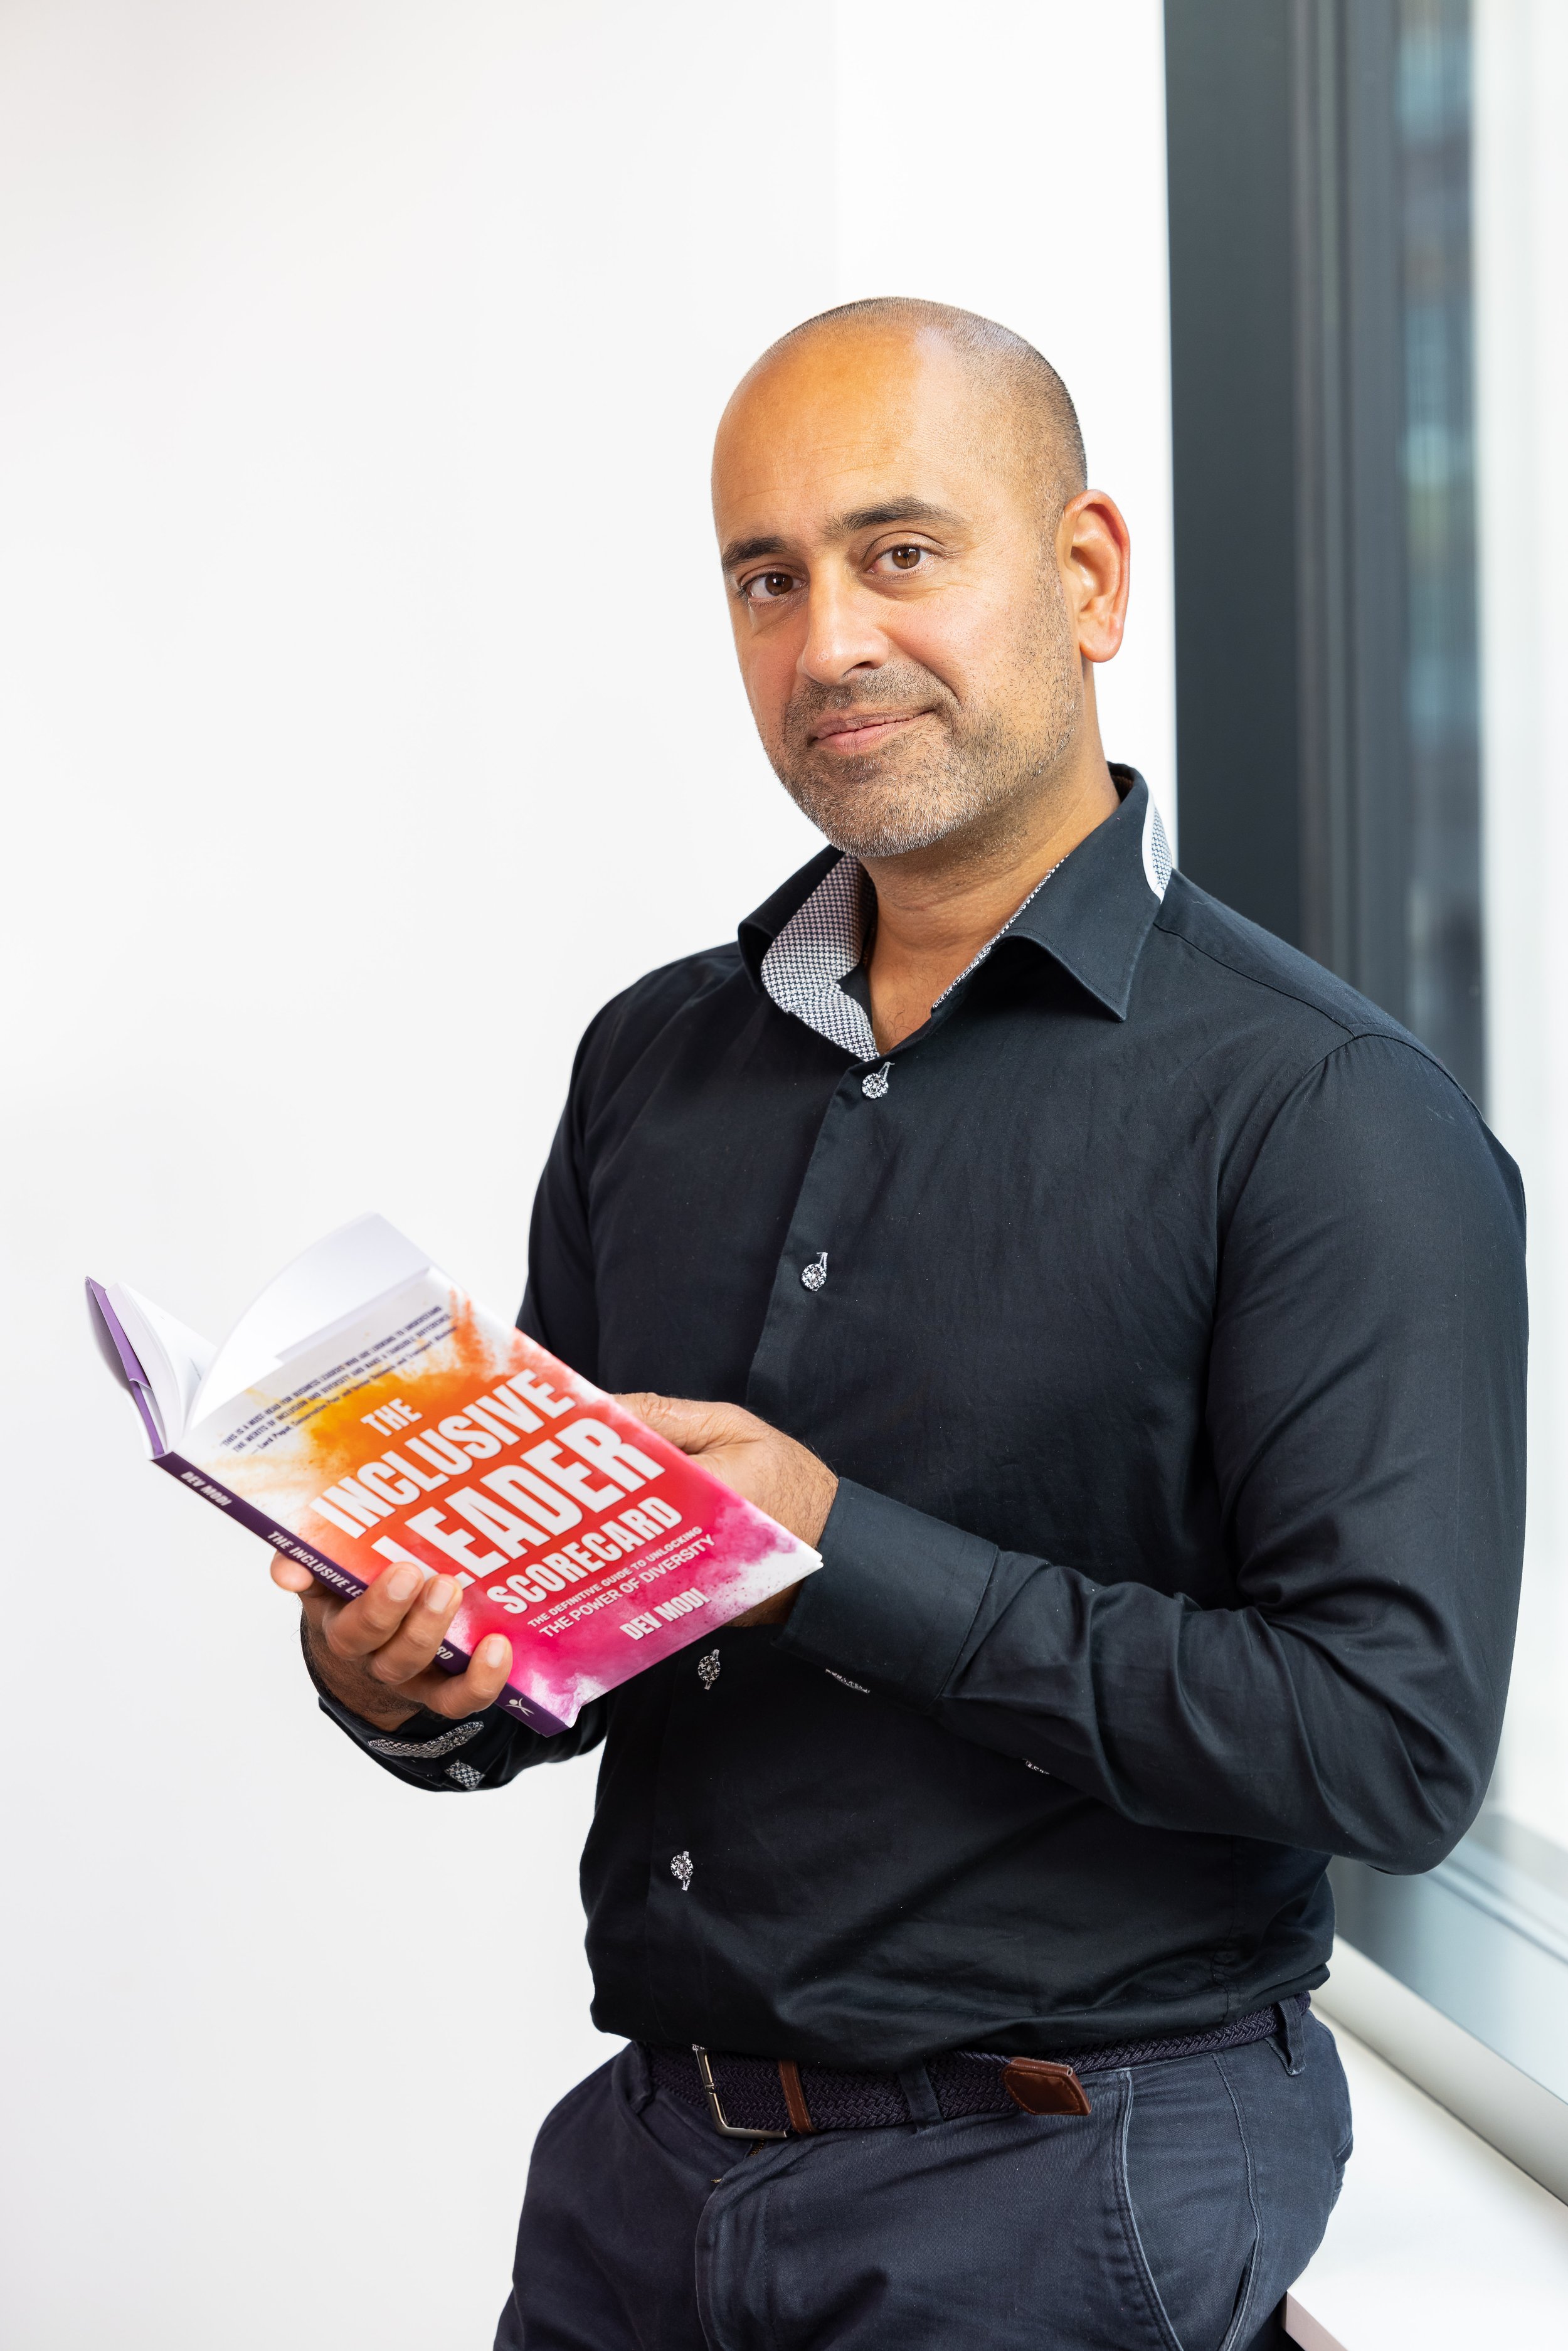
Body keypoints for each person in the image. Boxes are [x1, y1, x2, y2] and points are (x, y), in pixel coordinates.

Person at [273, 299, 1527, 2350]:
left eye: (900, 551)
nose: (827, 638)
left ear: (1088, 574)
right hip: (639, 2170)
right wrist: (408, 1670)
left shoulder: (1326, 1118)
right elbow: (568, 1645)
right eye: (766, 580)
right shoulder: (648, 1065)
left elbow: (1385, 1749)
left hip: (1064, 2171)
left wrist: (824, 1551)